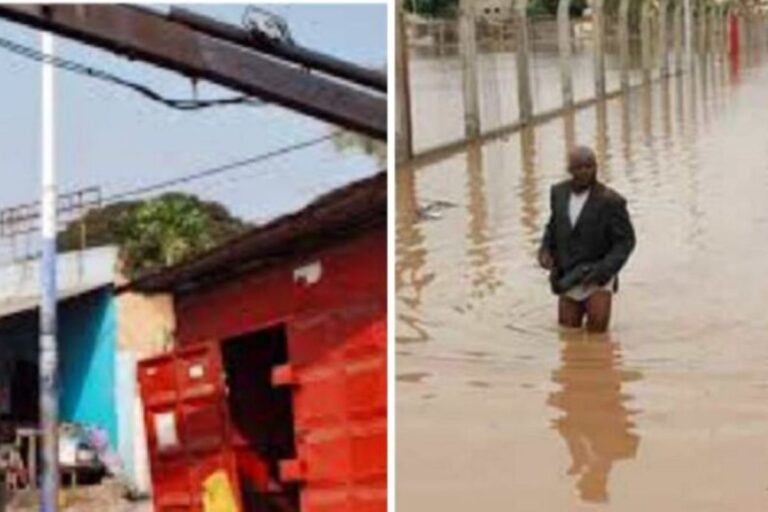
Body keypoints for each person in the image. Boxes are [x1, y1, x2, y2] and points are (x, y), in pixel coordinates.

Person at [538, 146, 636, 332]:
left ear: (596, 168)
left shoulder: (611, 201)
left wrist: (604, 271)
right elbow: (553, 226)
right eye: (579, 167)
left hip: (598, 273)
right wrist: (545, 250)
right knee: (568, 330)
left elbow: (625, 242)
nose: (585, 172)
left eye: (589, 166)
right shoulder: (558, 193)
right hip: (568, 272)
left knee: (597, 332)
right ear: (570, 169)